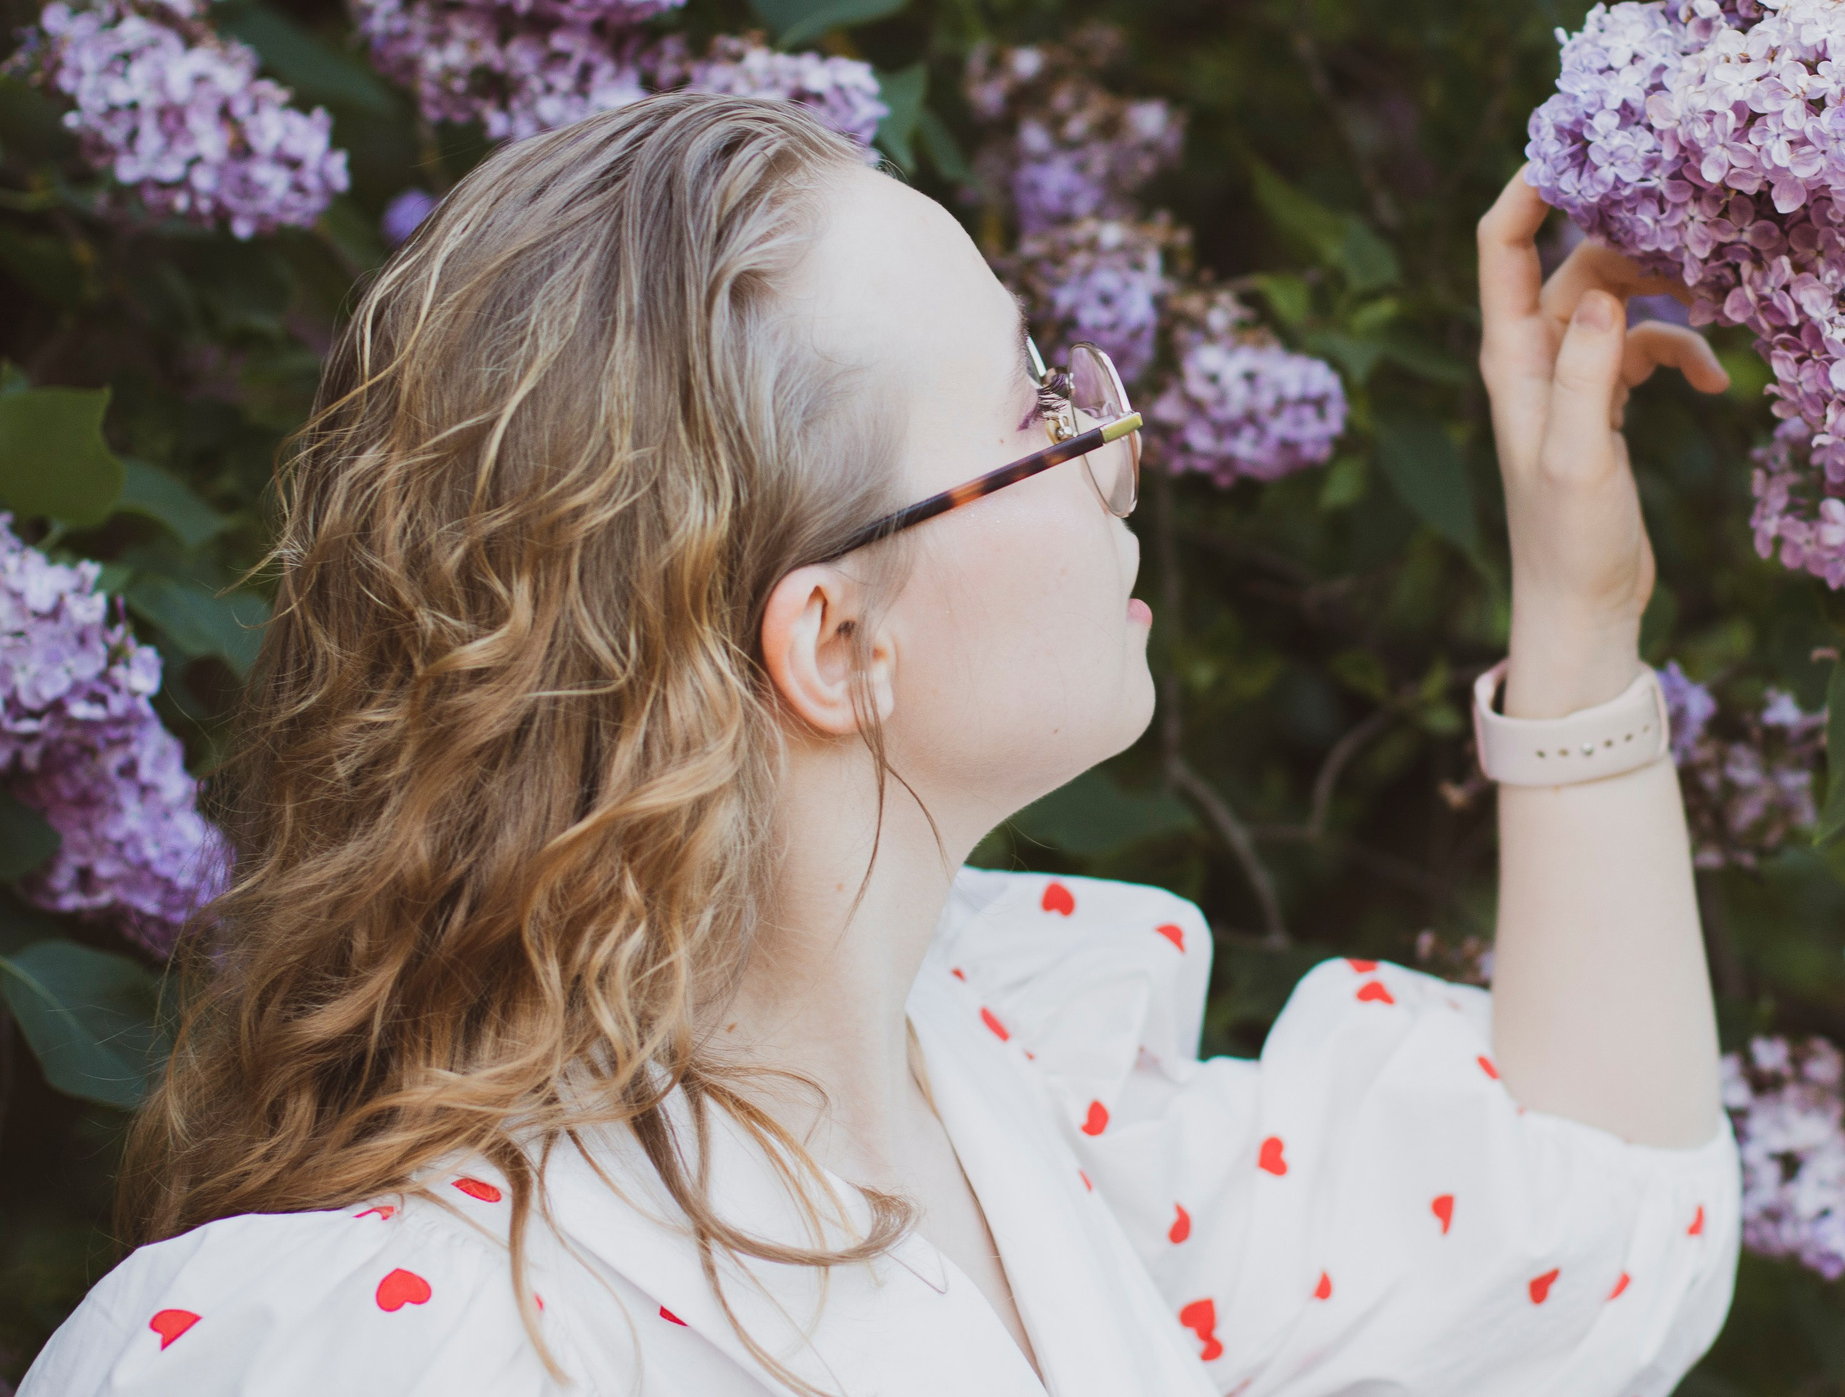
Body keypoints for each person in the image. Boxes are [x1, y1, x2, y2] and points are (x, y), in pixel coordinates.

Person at [22, 93, 1741, 1397]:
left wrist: (1579, 612)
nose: (1115, 446)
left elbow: (1592, 1223)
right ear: (836, 644)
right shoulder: (354, 1355)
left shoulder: (1022, 1116)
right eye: (1033, 412)